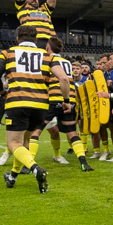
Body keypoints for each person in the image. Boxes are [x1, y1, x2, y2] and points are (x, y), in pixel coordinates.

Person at [0, 26, 51, 192]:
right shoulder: (47, 55)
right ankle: (12, 177)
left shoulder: (8, 53)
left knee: (14, 143)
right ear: (35, 40)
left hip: (18, 102)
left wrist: (3, 93)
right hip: (40, 105)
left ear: (17, 39)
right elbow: (61, 78)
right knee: (24, 142)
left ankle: (35, 169)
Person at [39, 38, 91, 171]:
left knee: (36, 130)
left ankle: (26, 164)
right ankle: (83, 163)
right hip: (69, 100)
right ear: (61, 49)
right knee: (72, 132)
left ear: (47, 48)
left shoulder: (47, 60)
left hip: (51, 99)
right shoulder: (67, 62)